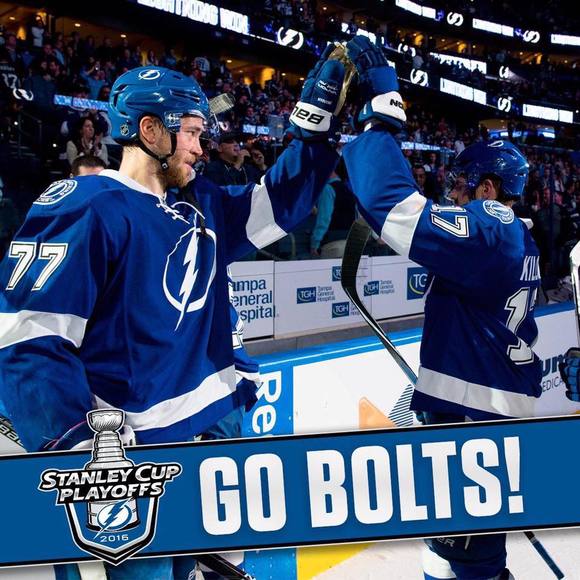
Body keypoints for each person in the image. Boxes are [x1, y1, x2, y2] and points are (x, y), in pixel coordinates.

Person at [0, 48, 346, 579]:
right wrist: (86, 457)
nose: (201, 147)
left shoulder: (198, 203)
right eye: (190, 133)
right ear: (149, 130)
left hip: (193, 441)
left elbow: (280, 203)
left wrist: (314, 127)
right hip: (128, 460)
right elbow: (28, 338)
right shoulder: (86, 204)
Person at [342, 36, 541, 580]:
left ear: (489, 188)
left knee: (467, 566)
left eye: (460, 186)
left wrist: (380, 116)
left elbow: (395, 209)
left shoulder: (494, 226)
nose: (453, 196)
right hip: (484, 411)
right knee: (456, 556)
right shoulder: (518, 238)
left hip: (474, 422)